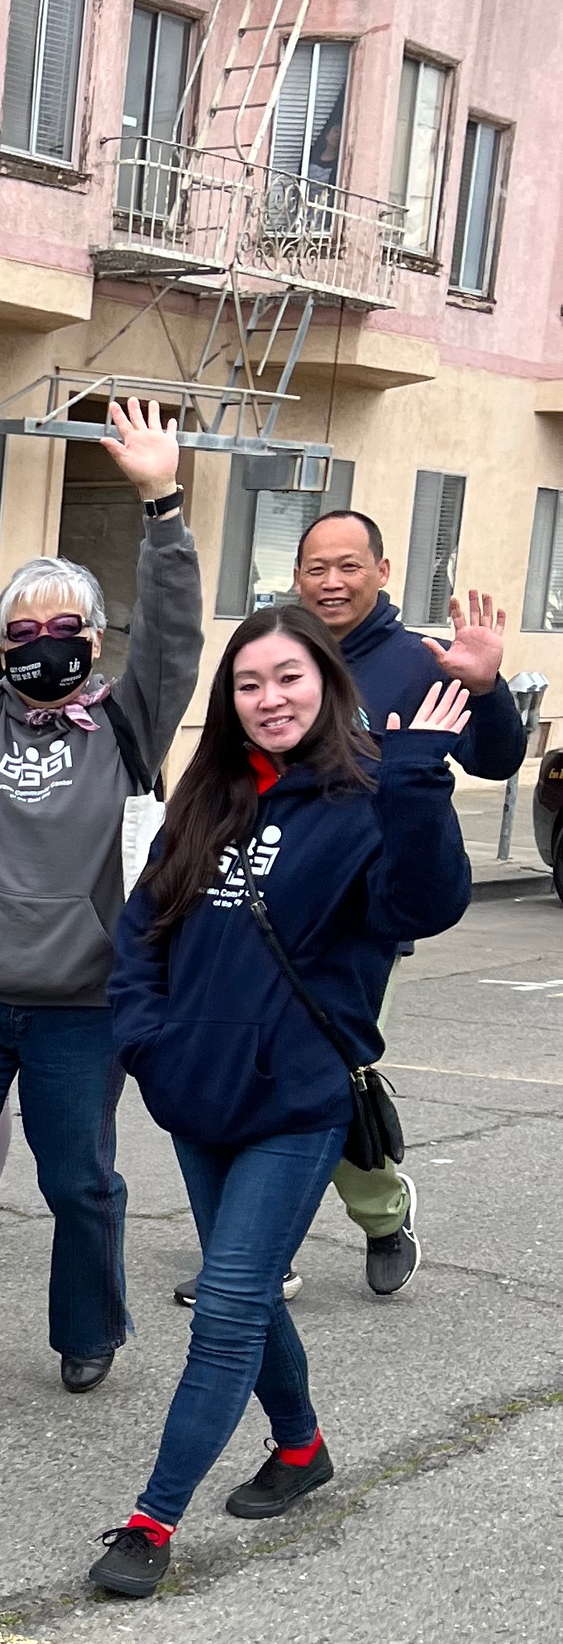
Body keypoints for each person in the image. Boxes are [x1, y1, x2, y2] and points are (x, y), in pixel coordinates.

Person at [89, 608, 473, 1597]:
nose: (268, 699)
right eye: (249, 683)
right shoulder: (207, 795)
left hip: (294, 1104)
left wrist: (422, 779)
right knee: (245, 1292)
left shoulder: (370, 794)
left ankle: (150, 1519)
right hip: (194, 1096)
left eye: (287, 678)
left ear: (327, 684)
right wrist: (146, 1046)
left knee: (225, 1306)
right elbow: (142, 934)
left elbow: (421, 907)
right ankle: (299, 1450)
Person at [0, 400, 204, 1432]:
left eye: (64, 628)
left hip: (79, 1004)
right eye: (21, 630)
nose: (42, 644)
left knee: (82, 1185)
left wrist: (161, 506)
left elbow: (174, 630)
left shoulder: (128, 718)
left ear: (95, 639)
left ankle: (88, 1328)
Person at [285, 509, 523, 1296]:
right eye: (317, 566)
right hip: (272, 895)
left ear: (382, 571)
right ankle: (261, 1249)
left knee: (328, 1067)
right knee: (266, 1065)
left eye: (349, 565)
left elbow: (494, 758)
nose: (332, 580)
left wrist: (482, 688)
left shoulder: (419, 659)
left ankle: (380, 1213)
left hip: (371, 907)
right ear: (297, 576)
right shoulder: (278, 650)